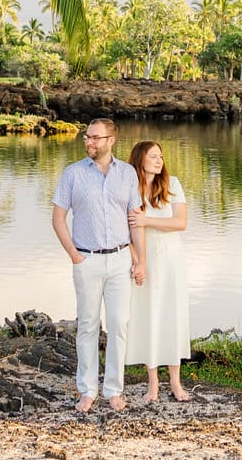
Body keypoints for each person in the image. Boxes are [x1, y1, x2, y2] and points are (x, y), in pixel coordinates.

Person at [51, 117, 145, 412]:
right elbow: (58, 218)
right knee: (88, 325)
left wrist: (140, 260)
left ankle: (114, 390)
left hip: (120, 260)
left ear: (110, 141)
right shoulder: (73, 174)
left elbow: (135, 220)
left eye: (95, 138)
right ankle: (87, 391)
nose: (89, 142)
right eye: (87, 137)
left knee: (119, 324)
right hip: (86, 259)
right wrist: (75, 256)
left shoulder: (128, 173)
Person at [125, 139, 191, 403]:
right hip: (145, 258)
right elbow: (127, 231)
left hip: (171, 259)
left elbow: (180, 222)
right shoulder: (130, 189)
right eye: (153, 156)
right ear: (140, 159)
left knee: (172, 315)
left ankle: (175, 382)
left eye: (160, 156)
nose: (158, 160)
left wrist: (147, 219)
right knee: (148, 316)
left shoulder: (172, 184)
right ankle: (153, 385)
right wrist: (136, 261)